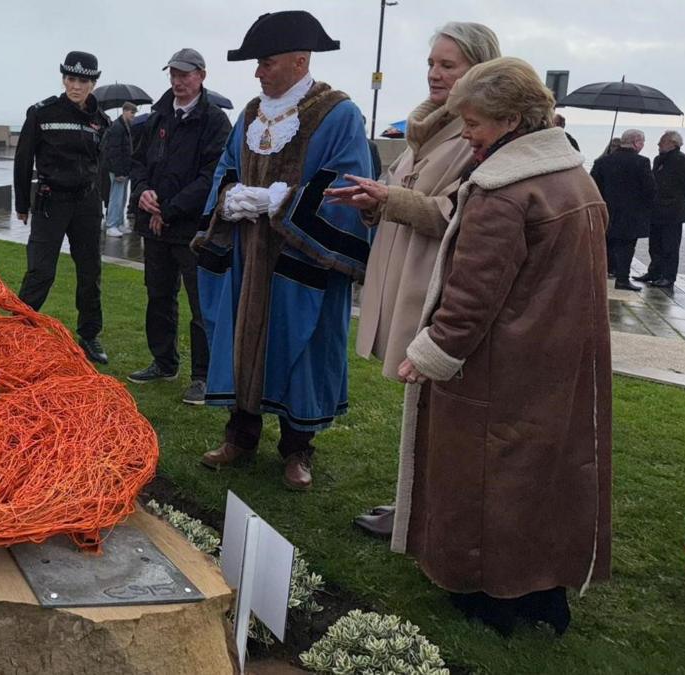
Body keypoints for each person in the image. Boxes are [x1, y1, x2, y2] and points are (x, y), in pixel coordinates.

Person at [394, 57, 611, 637]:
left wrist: (430, 353)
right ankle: (544, 592)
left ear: (512, 119)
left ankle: (487, 596)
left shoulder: (503, 191)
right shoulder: (575, 179)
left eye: (473, 123)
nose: (466, 134)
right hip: (558, 361)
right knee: (544, 477)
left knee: (488, 479)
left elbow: (472, 296)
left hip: (498, 365)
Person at [326, 21, 501, 539]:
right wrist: (373, 201)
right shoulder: (425, 129)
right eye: (431, 64)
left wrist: (391, 200)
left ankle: (423, 510)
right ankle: (414, 503)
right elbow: (400, 190)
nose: (435, 74)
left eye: (448, 65)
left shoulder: (479, 135)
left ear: (479, 70)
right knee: (422, 402)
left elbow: (463, 212)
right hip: (407, 271)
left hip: (438, 285)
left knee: (438, 402)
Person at [195, 11, 373, 489]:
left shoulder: (339, 114)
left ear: (300, 61)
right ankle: (240, 435)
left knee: (302, 350)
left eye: (266, 62)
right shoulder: (249, 114)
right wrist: (230, 196)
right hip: (247, 255)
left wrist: (283, 202)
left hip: (302, 257)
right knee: (241, 340)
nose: (258, 72)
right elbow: (226, 167)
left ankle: (298, 449)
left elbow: (349, 183)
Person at [127, 47, 231, 406]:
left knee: (201, 304)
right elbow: (138, 162)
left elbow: (211, 176)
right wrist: (142, 191)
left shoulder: (215, 120)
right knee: (158, 296)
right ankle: (164, 362)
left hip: (193, 230)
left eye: (184, 74)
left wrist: (168, 210)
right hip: (156, 227)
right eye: (173, 74)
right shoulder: (158, 115)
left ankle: (203, 376)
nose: (177, 81)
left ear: (201, 76)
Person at [14, 51, 113, 364]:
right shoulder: (41, 113)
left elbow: (102, 166)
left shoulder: (101, 121)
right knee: (41, 271)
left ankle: (90, 335)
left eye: (83, 81)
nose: (76, 86)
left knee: (90, 272)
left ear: (93, 83)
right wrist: (22, 203)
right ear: (63, 79)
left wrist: (105, 203)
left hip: (87, 204)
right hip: (51, 202)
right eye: (71, 79)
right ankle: (17, 330)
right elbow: (23, 159)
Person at [591, 128, 656, 290]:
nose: (643, 145)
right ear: (635, 142)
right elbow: (650, 190)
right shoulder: (642, 162)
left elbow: (592, 186)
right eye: (642, 142)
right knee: (626, 248)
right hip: (631, 214)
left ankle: (599, 277)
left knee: (605, 245)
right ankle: (622, 279)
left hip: (607, 212)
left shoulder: (603, 162)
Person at [636, 131, 685, 288]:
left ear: (673, 143)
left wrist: (678, 200)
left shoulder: (682, 160)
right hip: (657, 209)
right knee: (655, 244)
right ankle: (654, 272)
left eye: (662, 141)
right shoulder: (658, 159)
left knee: (670, 246)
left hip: (673, 211)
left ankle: (668, 276)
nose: (658, 144)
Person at [102, 101, 137, 237]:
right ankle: (111, 225)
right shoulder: (117, 127)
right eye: (132, 113)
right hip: (118, 169)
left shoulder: (125, 126)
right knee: (116, 197)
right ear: (125, 111)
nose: (133, 116)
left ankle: (119, 223)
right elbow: (114, 151)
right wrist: (118, 172)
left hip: (124, 168)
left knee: (122, 198)